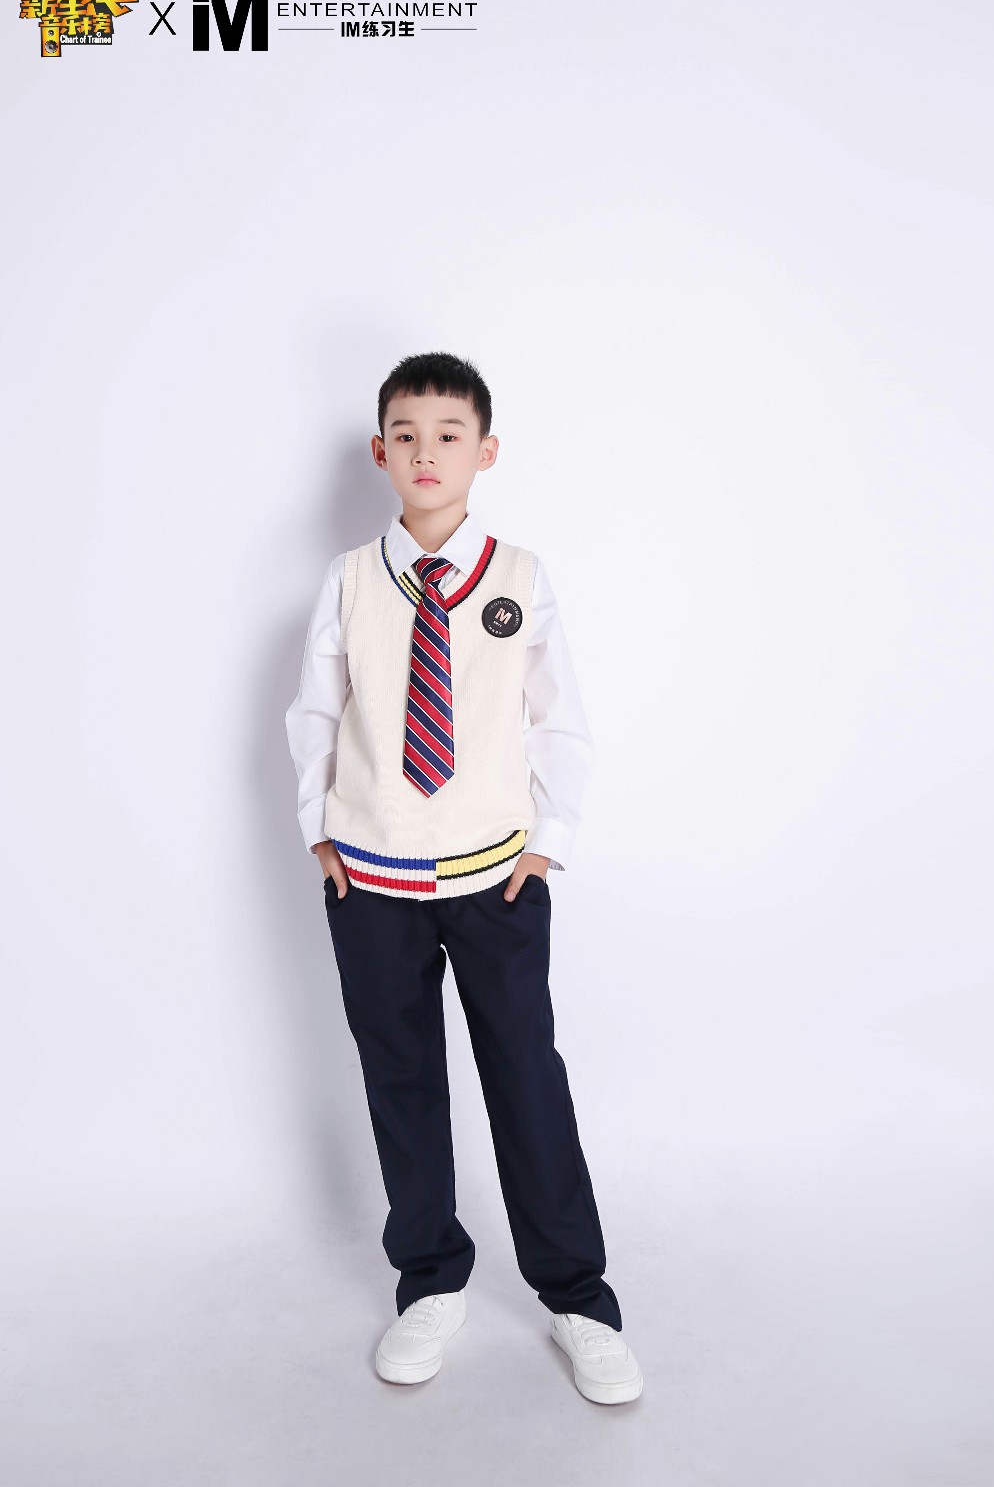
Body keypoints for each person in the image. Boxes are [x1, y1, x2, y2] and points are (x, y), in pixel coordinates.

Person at [285, 351, 643, 1404]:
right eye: (406, 434)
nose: (426, 451)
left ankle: (577, 1297)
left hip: (497, 879)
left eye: (449, 434)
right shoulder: (351, 579)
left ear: (485, 451)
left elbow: (559, 717)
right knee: (400, 1079)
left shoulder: (517, 576)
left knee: (525, 1078)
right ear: (379, 451)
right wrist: (320, 833)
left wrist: (548, 841)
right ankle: (431, 1280)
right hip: (373, 880)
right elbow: (315, 713)